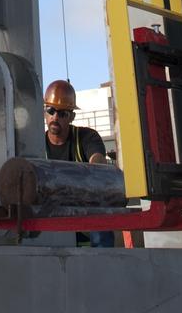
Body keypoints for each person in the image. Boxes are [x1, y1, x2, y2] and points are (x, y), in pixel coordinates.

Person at [43, 78, 115, 248]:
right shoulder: (36, 144)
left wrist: (95, 168)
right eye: (50, 110)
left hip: (84, 211)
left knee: (100, 212)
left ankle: (101, 261)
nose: (55, 117)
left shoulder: (86, 137)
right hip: (51, 213)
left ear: (72, 116)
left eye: (62, 113)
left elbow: (97, 160)